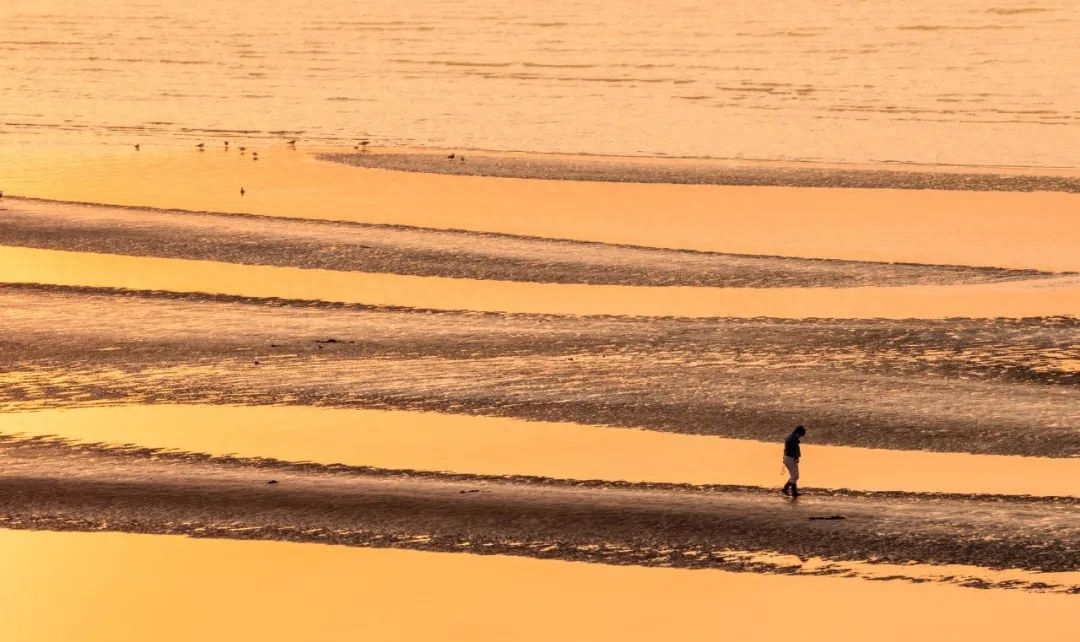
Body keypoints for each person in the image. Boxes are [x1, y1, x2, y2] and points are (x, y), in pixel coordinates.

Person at [781, 425, 806, 497]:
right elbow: (794, 450)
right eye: (800, 435)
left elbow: (787, 449)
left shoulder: (790, 437)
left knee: (793, 475)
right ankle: (785, 488)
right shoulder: (793, 439)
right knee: (795, 476)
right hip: (790, 458)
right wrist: (796, 457)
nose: (800, 437)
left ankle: (794, 492)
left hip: (787, 458)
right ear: (798, 433)